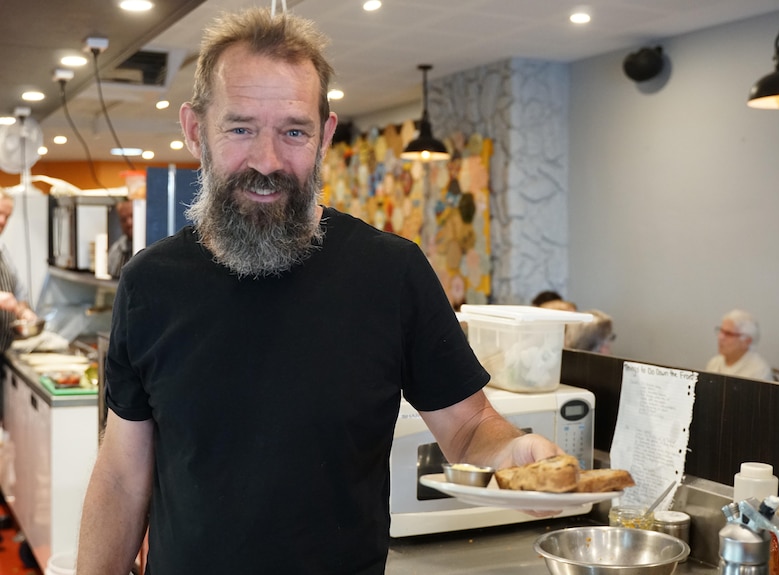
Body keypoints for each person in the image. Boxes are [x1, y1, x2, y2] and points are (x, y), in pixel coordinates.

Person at [75, 9, 563, 575]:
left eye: (294, 131)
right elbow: (121, 471)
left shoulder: (391, 273)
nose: (267, 160)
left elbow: (470, 429)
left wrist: (513, 453)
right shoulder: (149, 285)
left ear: (325, 136)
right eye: (240, 128)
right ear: (194, 130)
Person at [0, 189, 37, 354]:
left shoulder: (3, 250)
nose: (2, 221)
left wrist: (23, 311)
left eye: (7, 216)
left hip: (4, 350)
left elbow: (20, 293)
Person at [705, 309, 772, 380]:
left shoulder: (759, 371)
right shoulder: (714, 363)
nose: (720, 337)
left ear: (746, 341)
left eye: (728, 334)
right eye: (721, 331)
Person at [107, 199, 134, 278]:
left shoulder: (151, 246)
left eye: (132, 216)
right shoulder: (115, 251)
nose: (129, 223)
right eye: (123, 219)